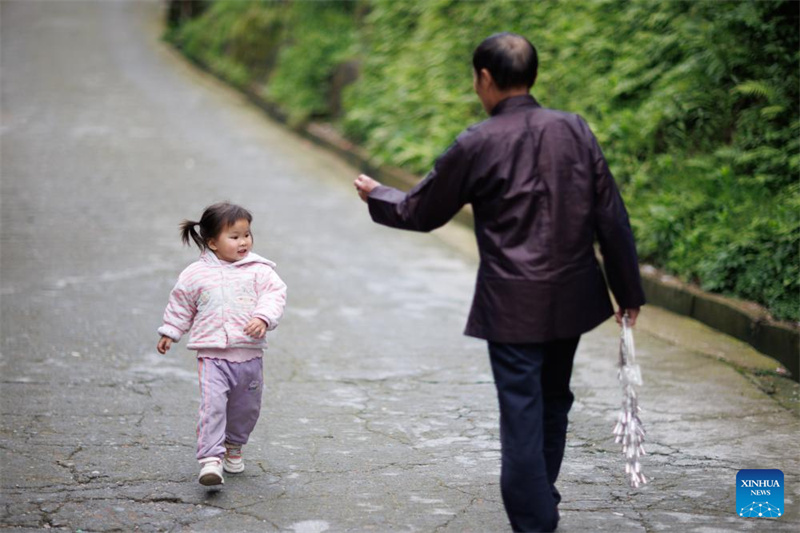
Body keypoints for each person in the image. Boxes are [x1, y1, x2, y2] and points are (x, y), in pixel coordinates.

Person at [354, 32, 645, 532]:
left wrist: (378, 193)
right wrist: (628, 291)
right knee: (555, 399)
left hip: (512, 305)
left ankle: (535, 522)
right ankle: (541, 496)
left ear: (485, 78)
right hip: (573, 296)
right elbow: (610, 216)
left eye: (475, 79)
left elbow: (422, 211)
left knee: (523, 414)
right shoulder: (574, 129)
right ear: (532, 75)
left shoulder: (478, 142)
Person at [157, 202, 287, 487]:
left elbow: (274, 295)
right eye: (235, 236)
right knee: (213, 406)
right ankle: (210, 460)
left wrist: (262, 318)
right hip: (212, 355)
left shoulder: (260, 271)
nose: (244, 242)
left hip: (249, 354)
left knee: (246, 408)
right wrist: (171, 331)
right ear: (213, 242)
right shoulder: (195, 274)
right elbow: (182, 305)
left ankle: (234, 445)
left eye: (247, 234)